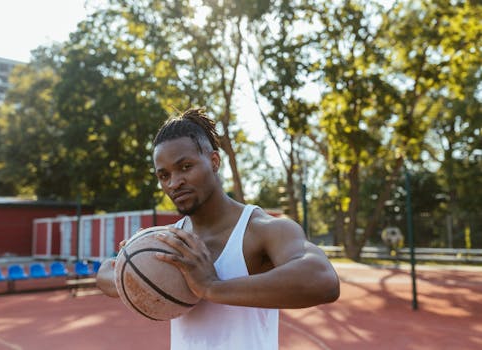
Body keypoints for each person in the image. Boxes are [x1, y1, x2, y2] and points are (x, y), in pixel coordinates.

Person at [96, 108, 340, 350]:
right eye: (164, 175)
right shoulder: (170, 241)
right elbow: (105, 273)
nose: (174, 183)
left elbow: (322, 279)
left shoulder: (261, 230)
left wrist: (211, 287)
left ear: (214, 161)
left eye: (185, 167)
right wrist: (131, 269)